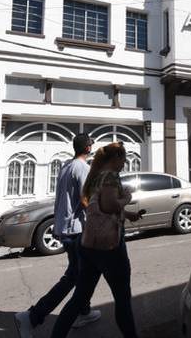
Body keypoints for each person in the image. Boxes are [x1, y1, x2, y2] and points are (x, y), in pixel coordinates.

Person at [51, 142, 142, 338]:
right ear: (115, 158)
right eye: (123, 159)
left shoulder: (96, 176)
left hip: (89, 245)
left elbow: (98, 208)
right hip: (109, 247)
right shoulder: (110, 176)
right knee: (123, 300)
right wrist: (127, 197)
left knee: (79, 299)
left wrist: (128, 214)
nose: (124, 163)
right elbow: (109, 206)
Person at [14, 133, 101, 337]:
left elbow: (64, 198)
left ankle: (84, 311)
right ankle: (33, 316)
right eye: (91, 145)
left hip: (67, 228)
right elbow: (86, 200)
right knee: (76, 276)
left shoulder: (66, 166)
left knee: (81, 273)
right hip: (77, 230)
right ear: (88, 148)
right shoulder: (82, 168)